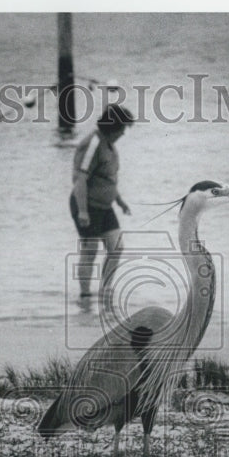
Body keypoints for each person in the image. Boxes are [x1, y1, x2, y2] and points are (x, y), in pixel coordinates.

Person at [70, 104, 135, 309]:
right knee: (90, 250)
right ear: (113, 126)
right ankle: (85, 296)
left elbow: (107, 178)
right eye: (123, 127)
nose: (124, 132)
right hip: (87, 205)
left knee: (116, 247)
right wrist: (82, 211)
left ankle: (105, 291)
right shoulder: (94, 143)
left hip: (105, 206)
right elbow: (80, 178)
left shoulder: (109, 143)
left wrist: (119, 200)